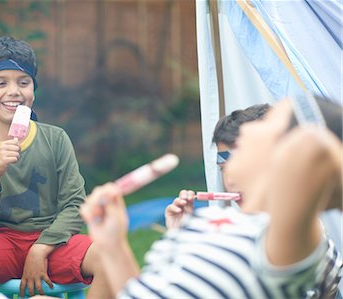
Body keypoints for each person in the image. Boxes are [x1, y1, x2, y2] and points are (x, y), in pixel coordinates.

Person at [81, 96, 343, 298]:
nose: (248, 132)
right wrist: (113, 245)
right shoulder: (212, 221)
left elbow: (316, 150)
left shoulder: (284, 242)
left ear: (291, 154)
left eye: (270, 125)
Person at [0, 36, 111, 298]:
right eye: (0, 83)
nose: (14, 91)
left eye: (23, 82)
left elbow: (75, 206)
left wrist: (41, 248)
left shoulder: (55, 139)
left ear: (33, 90)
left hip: (53, 243)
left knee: (110, 255)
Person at [165, 104, 270, 230]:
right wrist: (181, 232)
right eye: (223, 169)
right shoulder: (232, 231)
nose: (230, 181)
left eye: (242, 167)